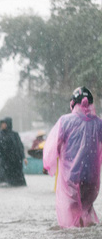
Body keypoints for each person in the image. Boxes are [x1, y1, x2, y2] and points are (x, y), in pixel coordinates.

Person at [43, 86, 102, 228]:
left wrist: (48, 166)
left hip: (72, 177)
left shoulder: (65, 121)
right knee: (86, 208)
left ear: (73, 103)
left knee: (71, 217)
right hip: (92, 178)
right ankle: (86, 238)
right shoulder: (99, 123)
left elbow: (52, 146)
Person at [0, 117, 27, 187]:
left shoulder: (14, 134)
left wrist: (24, 157)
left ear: (8, 124)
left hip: (14, 160)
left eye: (4, 123)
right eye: (2, 124)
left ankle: (15, 184)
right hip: (3, 159)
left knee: (17, 179)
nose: (2, 125)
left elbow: (20, 147)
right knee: (2, 176)